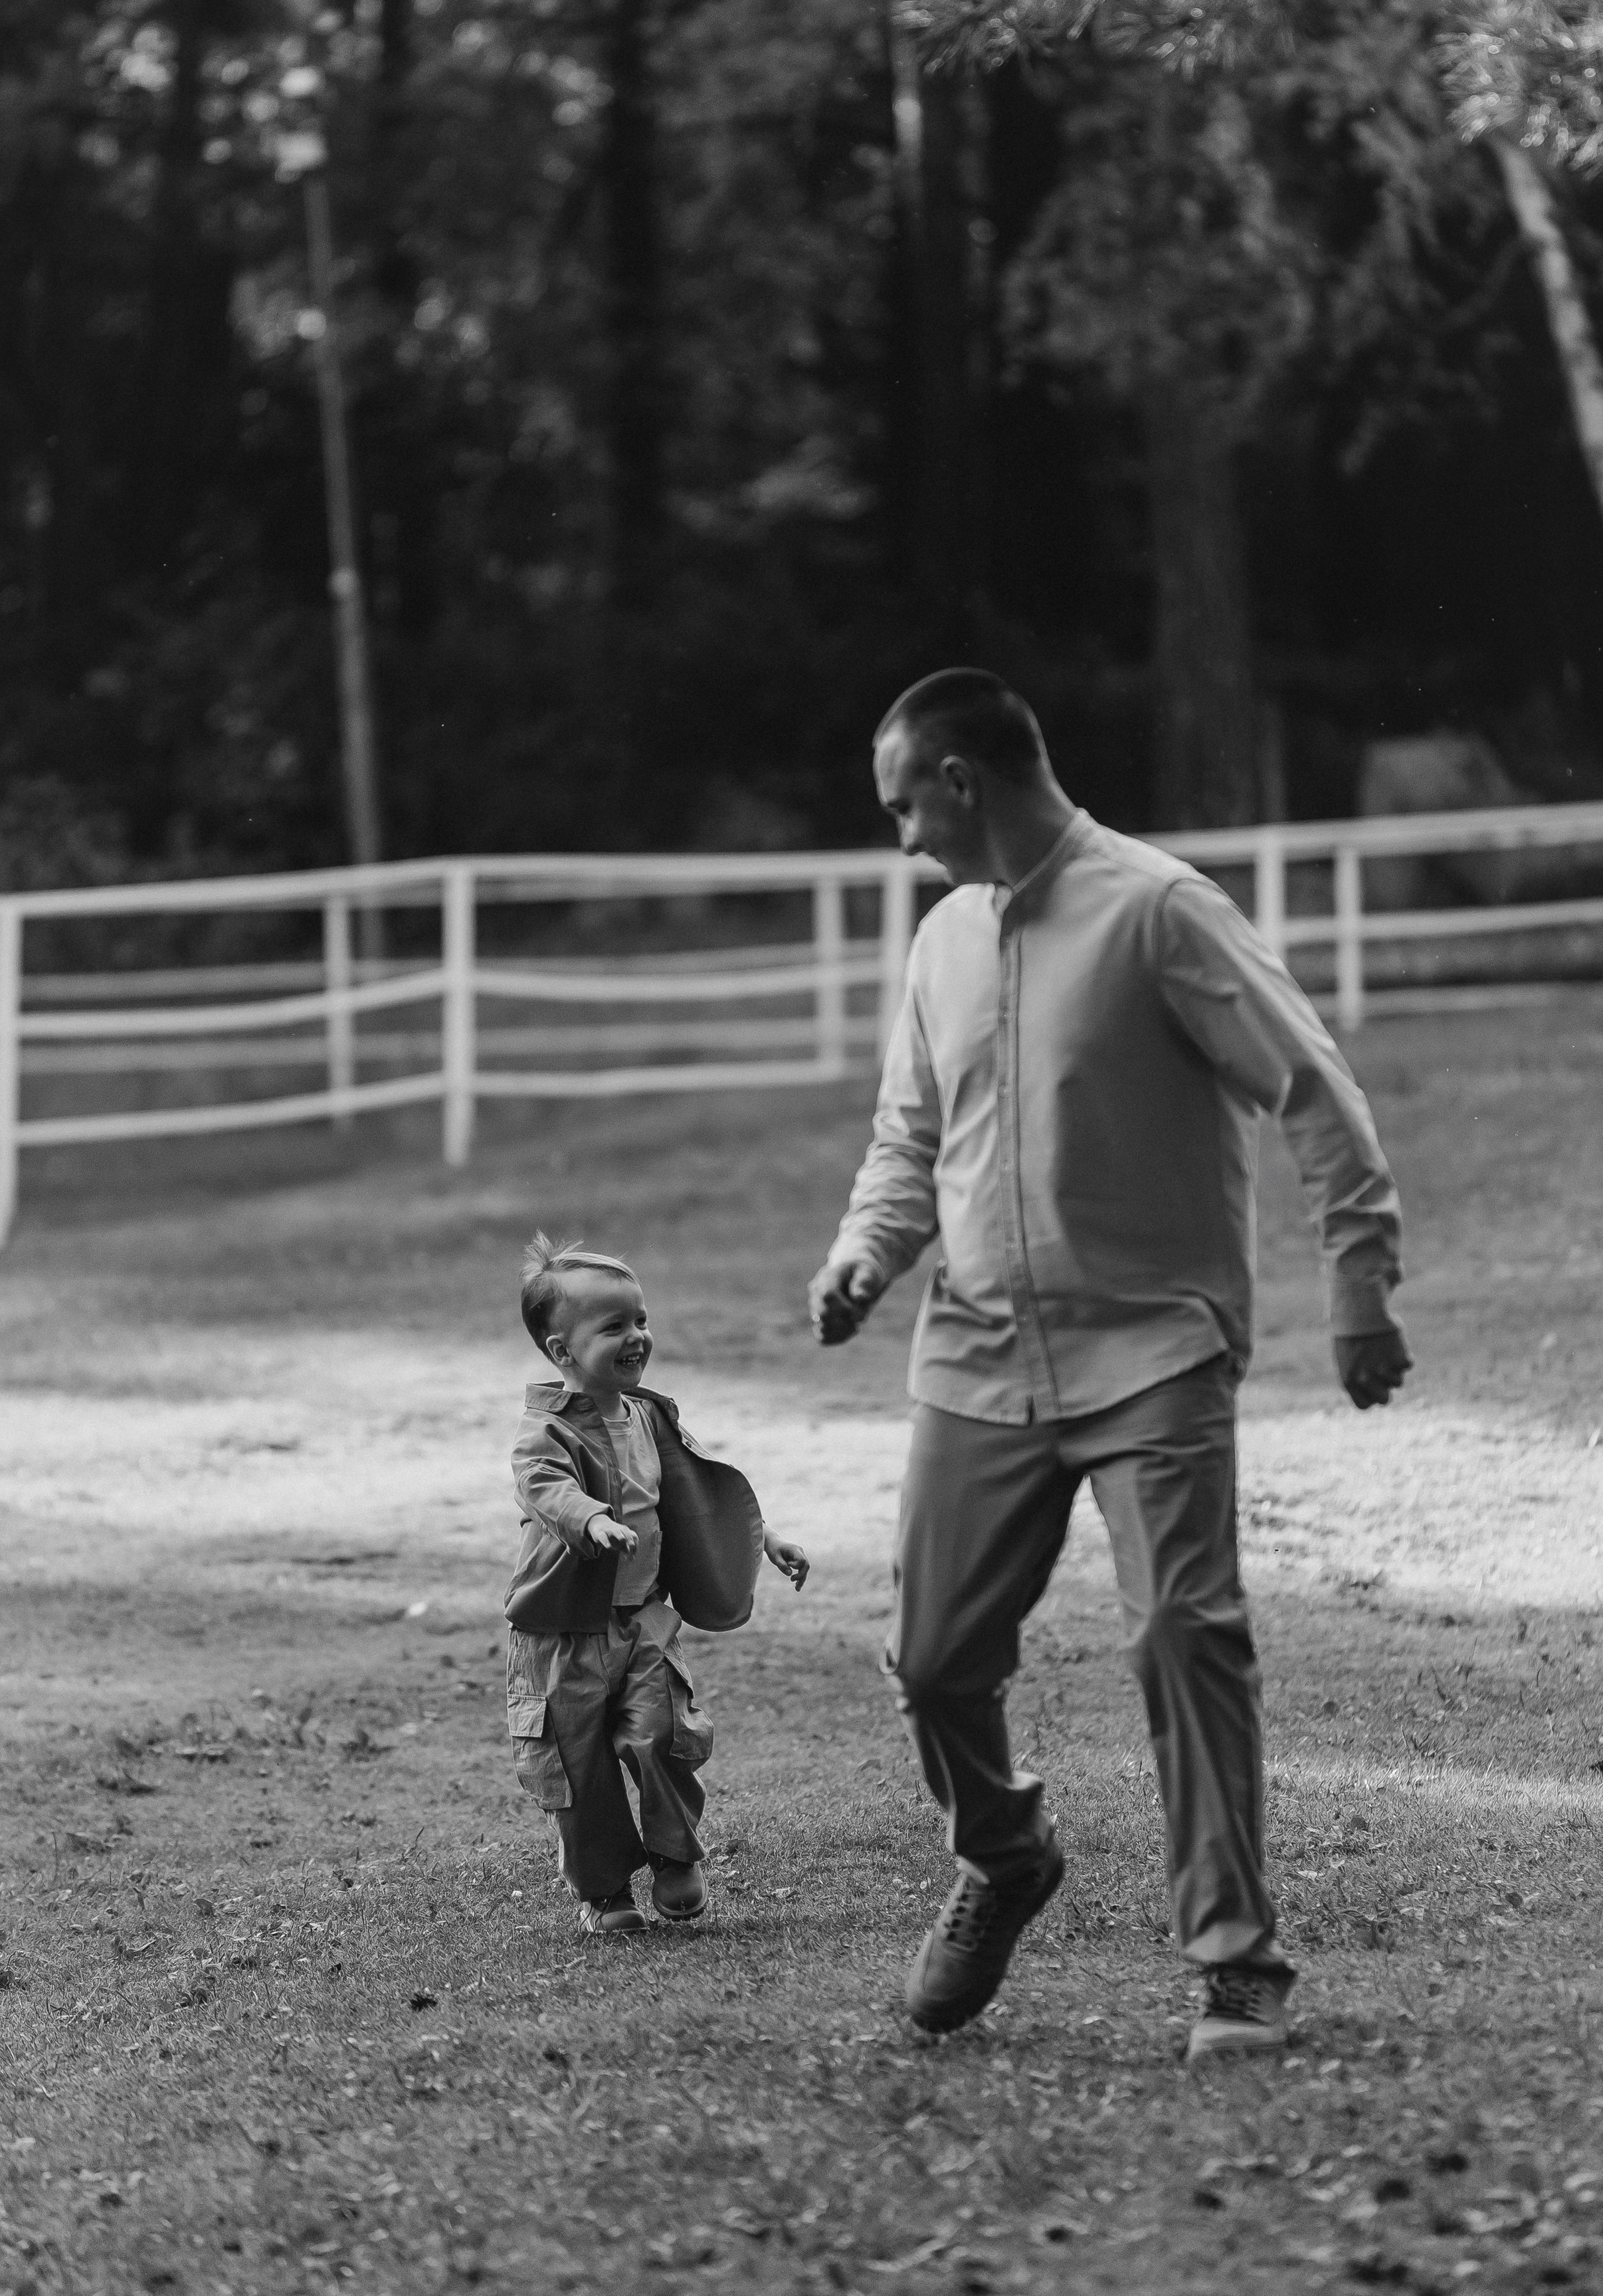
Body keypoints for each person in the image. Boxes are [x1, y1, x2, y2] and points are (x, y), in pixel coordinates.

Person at [808, 670, 1410, 2061]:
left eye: (903, 807)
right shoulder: (942, 942)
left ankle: (1235, 1970)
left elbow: (1311, 1087)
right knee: (931, 1659)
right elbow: (912, 1138)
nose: (902, 838)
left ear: (961, 781)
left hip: (1152, 1350)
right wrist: (863, 1255)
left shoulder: (1158, 911)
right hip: (976, 1353)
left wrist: (1358, 1285)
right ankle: (1003, 1853)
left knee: (1183, 1638)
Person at [508, 1234, 810, 1935]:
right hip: (562, 1633)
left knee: (665, 1734)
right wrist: (590, 1520)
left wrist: (764, 1539)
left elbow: (693, 1496)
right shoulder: (544, 1432)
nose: (637, 1336)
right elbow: (543, 1489)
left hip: (644, 1620)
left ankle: (675, 1858)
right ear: (562, 1351)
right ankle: (605, 1892)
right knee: (578, 1769)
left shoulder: (648, 1416)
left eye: (640, 1319)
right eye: (614, 1326)